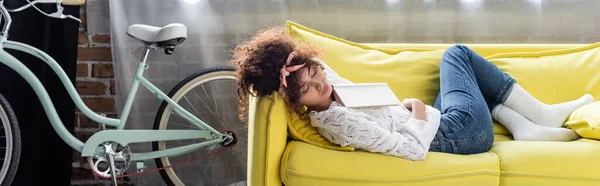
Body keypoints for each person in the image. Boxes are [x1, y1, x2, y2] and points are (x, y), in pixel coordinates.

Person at [231, 26, 594, 161]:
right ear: (294, 102)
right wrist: (417, 113)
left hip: (445, 125)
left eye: (313, 71)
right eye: (306, 90)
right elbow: (412, 150)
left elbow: (302, 63)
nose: (319, 84)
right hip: (457, 135)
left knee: (464, 82)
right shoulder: (337, 122)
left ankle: (523, 126)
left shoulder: (326, 80)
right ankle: (541, 114)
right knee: (457, 54)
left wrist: (290, 61)